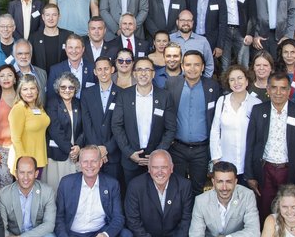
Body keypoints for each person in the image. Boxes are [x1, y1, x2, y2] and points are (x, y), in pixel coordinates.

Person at [54, 146, 135, 237]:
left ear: (101, 163)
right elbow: (59, 217)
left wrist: (106, 235)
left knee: (126, 236)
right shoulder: (66, 183)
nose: (89, 166)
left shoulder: (111, 184)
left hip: (99, 231)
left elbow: (118, 217)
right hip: (75, 234)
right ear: (79, 163)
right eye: (85, 161)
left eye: (94, 161)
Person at [244, 73, 295, 218]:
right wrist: (250, 175)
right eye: (274, 88)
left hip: (289, 171)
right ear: (268, 90)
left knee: (288, 212)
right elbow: (250, 144)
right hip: (265, 170)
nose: (278, 92)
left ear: (289, 91)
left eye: (283, 88)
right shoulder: (258, 110)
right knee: (264, 211)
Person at [123, 150, 192, 237]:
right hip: (149, 234)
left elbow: (187, 217)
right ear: (149, 169)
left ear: (171, 168)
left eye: (164, 167)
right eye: (155, 167)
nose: (160, 172)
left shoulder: (184, 185)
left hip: (172, 233)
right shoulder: (136, 186)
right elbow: (132, 219)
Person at [111, 57, 177, 186]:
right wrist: (129, 153)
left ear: (153, 74)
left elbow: (171, 129)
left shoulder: (165, 96)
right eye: (139, 69)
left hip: (157, 163)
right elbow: (116, 126)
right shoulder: (124, 95)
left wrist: (157, 155)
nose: (143, 73)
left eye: (147, 69)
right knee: (132, 197)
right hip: (130, 160)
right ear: (134, 74)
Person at [166, 50, 222, 195]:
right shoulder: (172, 84)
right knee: (176, 188)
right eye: (188, 64)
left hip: (201, 150)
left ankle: (196, 218)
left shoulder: (212, 87)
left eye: (197, 64)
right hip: (177, 148)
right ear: (182, 66)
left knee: (198, 188)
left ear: (203, 67)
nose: (192, 68)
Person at [209, 64, 261, 183]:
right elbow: (215, 130)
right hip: (225, 163)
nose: (236, 82)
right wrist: (216, 159)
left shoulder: (256, 104)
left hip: (247, 164)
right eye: (232, 79)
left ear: (247, 80)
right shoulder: (222, 101)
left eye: (240, 78)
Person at [78, 57, 123, 182]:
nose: (103, 72)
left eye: (106, 69)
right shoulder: (87, 94)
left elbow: (122, 126)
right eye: (99, 69)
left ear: (112, 70)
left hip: (113, 155)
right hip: (92, 156)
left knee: (113, 190)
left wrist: (107, 148)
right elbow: (87, 123)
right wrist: (97, 149)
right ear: (95, 72)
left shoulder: (123, 94)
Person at [216, 0, 257, 70]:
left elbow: (252, 11)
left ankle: (245, 87)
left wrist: (250, 33)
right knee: (225, 65)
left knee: (243, 64)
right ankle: (226, 88)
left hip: (242, 32)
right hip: (224, 31)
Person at [8, 75, 51, 181]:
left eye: (32, 88)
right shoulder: (19, 108)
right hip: (25, 161)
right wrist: (24, 162)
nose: (29, 92)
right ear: (20, 92)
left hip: (39, 158)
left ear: (37, 90)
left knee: (34, 194)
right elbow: (15, 139)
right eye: (25, 89)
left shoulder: (39, 107)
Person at [45, 73, 84, 187]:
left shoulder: (78, 103)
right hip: (59, 153)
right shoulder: (52, 103)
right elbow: (55, 130)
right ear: (58, 88)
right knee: (57, 187)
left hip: (75, 152)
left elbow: (84, 128)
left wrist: (78, 146)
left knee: (73, 187)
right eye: (63, 87)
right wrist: (71, 150)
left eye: (71, 87)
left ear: (75, 88)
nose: (67, 90)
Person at [184, 0, 226, 70]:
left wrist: (219, 45)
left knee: (209, 69)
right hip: (193, 39)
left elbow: (222, 23)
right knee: (192, 67)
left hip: (211, 41)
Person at [48, 34, 97, 101]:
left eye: (77, 47)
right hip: (63, 110)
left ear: (83, 49)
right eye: (70, 47)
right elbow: (52, 98)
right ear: (65, 49)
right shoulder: (55, 70)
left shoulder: (93, 68)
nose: (73, 51)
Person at [172, 8, 216, 78]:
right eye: (182, 20)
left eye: (189, 20)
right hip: (174, 82)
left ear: (193, 22)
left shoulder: (203, 41)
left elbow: (209, 64)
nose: (186, 23)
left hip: (197, 82)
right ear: (177, 22)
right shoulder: (170, 39)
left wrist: (204, 81)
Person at [29, 3, 74, 70]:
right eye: (47, 15)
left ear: (59, 16)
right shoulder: (33, 38)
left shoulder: (68, 36)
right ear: (43, 17)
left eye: (54, 15)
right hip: (41, 78)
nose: (51, 18)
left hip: (64, 78)